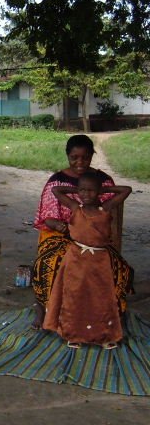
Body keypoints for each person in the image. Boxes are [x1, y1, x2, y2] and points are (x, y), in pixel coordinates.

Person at [31, 134, 134, 329]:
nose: (80, 162)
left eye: (85, 157)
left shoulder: (103, 181)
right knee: (52, 263)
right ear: (67, 156)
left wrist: (96, 189)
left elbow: (112, 205)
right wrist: (77, 192)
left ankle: (111, 314)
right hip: (59, 236)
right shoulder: (56, 182)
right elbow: (48, 219)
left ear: (92, 156)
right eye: (74, 157)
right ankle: (44, 308)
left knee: (117, 267)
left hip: (93, 239)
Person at [42, 172, 132, 349]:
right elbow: (56, 190)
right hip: (75, 259)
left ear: (98, 191)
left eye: (91, 191)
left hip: (99, 261)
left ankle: (104, 336)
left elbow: (126, 190)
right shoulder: (76, 207)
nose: (86, 194)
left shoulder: (105, 208)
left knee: (101, 297)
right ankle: (72, 334)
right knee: (74, 295)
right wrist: (78, 189)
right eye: (82, 190)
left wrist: (103, 189)